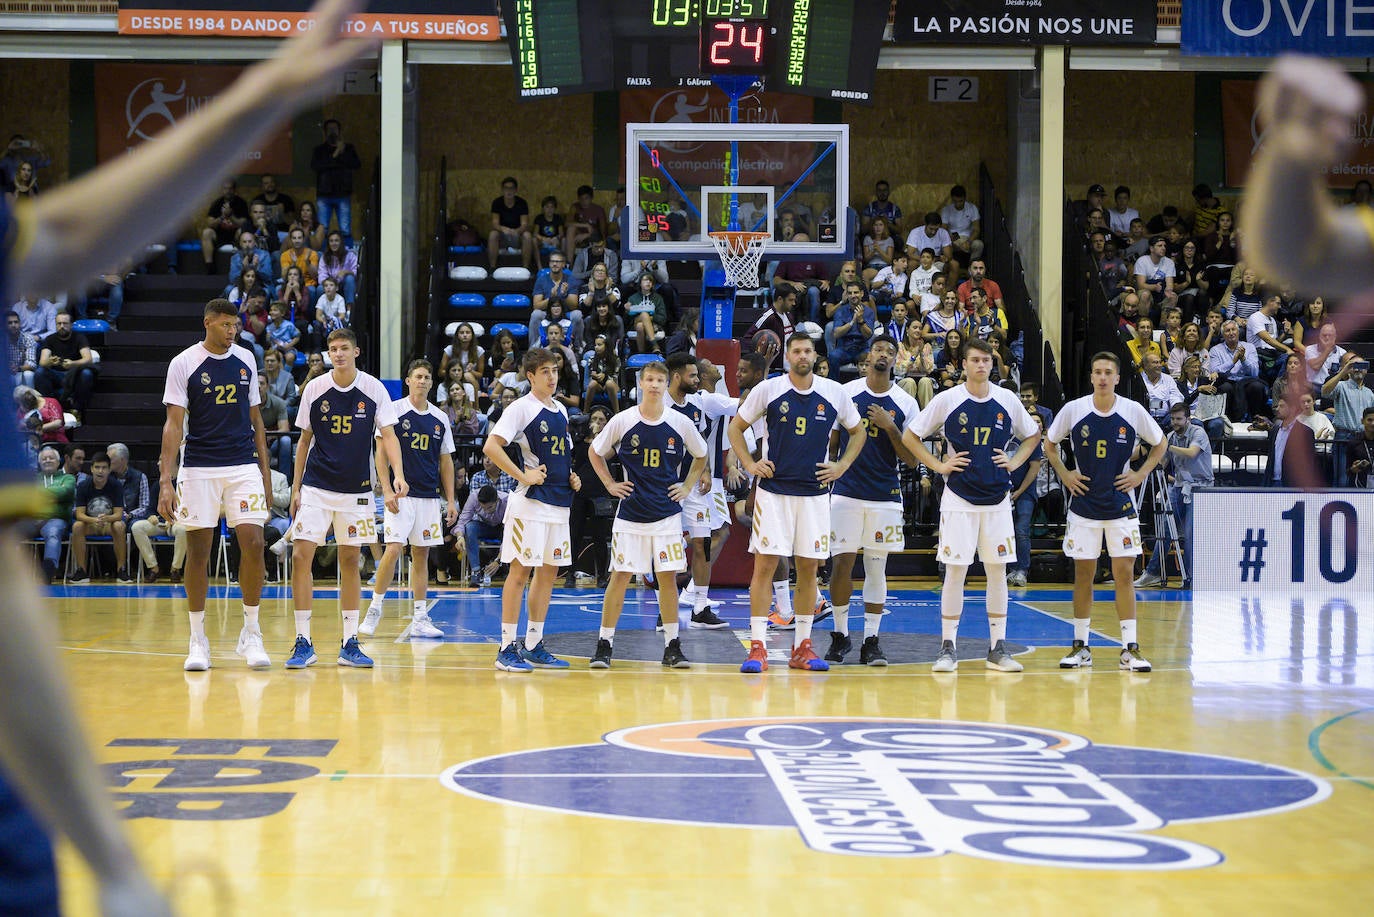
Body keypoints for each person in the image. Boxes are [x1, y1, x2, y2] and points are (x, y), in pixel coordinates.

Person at [727, 332, 865, 674]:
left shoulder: (834, 392)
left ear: (815, 356)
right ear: (788, 356)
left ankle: (803, 645)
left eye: (807, 351)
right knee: (764, 566)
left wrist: (842, 465)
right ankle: (757, 646)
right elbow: (736, 428)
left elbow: (858, 431)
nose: (802, 356)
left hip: (816, 496)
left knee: (809, 569)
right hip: (774, 494)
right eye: (796, 350)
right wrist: (748, 463)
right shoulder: (769, 389)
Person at [900, 338, 1040, 673]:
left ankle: (997, 648)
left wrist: (1014, 459)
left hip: (997, 499)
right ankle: (947, 647)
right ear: (963, 364)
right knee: (955, 571)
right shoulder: (948, 399)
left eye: (987, 360)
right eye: (975, 360)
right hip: (959, 498)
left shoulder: (1006, 398)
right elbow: (910, 436)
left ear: (993, 363)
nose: (981, 365)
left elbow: (1034, 435)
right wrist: (938, 466)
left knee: (997, 573)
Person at [158, 298, 273, 670]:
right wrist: (165, 479)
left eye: (235, 326)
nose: (232, 331)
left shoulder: (246, 359)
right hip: (199, 467)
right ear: (208, 322)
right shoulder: (184, 363)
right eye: (225, 325)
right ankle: (197, 640)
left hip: (242, 465)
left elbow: (257, 421)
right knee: (198, 550)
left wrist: (266, 474)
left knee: (254, 543)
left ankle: (251, 633)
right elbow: (174, 425)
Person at [287, 328, 406, 669]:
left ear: (356, 352)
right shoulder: (314, 388)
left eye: (343, 349)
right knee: (300, 556)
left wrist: (397, 474)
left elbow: (389, 436)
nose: (337, 354)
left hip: (356, 489)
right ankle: (302, 640)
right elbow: (303, 442)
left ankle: (350, 641)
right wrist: (296, 488)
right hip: (316, 486)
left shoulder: (373, 389)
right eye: (332, 349)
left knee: (351, 561)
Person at [1045, 352, 1165, 673]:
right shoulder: (1074, 409)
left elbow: (1160, 443)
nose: (1101, 377)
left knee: (1124, 575)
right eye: (1097, 371)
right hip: (1084, 505)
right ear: (1091, 377)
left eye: (1107, 372)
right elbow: (1049, 443)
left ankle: (1130, 649)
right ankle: (1081, 647)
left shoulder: (1132, 410)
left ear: (1116, 377)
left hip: (1120, 506)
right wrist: (1065, 473)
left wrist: (1140, 474)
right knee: (1084, 574)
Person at [587, 361, 709, 669]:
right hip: (630, 513)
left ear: (667, 384)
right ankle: (604, 644)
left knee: (666, 580)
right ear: (641, 384)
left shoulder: (679, 422)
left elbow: (702, 453)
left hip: (667, 515)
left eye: (659, 380)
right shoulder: (624, 419)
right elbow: (595, 451)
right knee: (620, 577)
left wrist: (687, 486)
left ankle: (672, 646)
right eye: (649, 379)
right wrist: (609, 483)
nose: (654, 385)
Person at [482, 349, 582, 672]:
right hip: (529, 503)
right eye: (545, 372)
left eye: (554, 371)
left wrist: (571, 475)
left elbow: (559, 454)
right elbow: (491, 446)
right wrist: (522, 474)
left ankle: (533, 643)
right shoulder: (521, 408)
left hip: (558, 502)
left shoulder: (562, 412)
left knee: (549, 572)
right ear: (530, 376)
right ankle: (505, 647)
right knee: (520, 571)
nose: (552, 377)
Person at [823, 335, 919, 665]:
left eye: (890, 352)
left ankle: (871, 641)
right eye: (879, 349)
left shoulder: (906, 403)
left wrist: (891, 428)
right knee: (841, 565)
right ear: (869, 356)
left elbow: (912, 460)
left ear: (896, 361)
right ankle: (839, 635)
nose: (884, 355)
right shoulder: (846, 393)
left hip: (885, 496)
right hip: (847, 492)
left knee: (876, 569)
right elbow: (832, 443)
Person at [360, 359, 456, 639]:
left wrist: (450, 500)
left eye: (427, 377)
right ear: (408, 380)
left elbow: (446, 461)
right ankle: (374, 610)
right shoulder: (394, 411)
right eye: (418, 376)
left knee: (421, 555)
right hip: (402, 495)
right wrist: (387, 489)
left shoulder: (439, 417)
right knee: (393, 549)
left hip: (428, 497)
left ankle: (420, 618)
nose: (423, 381)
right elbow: (381, 452)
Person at [665, 353, 735, 629]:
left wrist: (704, 470)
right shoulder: (659, 405)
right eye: (693, 376)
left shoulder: (697, 404)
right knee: (668, 548)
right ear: (677, 376)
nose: (698, 381)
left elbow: (700, 444)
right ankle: (665, 608)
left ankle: (700, 607)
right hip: (667, 486)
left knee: (703, 542)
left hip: (693, 486)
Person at [1136, 402, 1213, 587]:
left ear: (1188, 418)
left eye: (1179, 419)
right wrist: (1151, 452)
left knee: (1190, 533)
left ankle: (1191, 577)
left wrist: (1165, 446)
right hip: (1178, 485)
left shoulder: (1198, 433)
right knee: (1164, 530)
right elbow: (1162, 462)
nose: (1175, 422)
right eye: (1172, 419)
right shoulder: (1170, 436)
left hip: (1200, 488)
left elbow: (1192, 453)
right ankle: (1152, 572)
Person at [68, 453, 126, 584]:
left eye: (104, 468)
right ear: (92, 469)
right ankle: (81, 571)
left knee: (119, 525)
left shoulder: (116, 485)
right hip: (91, 524)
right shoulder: (83, 486)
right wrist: (94, 520)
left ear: (109, 469)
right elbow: (79, 514)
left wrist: (106, 518)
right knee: (77, 526)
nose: (100, 471)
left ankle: (121, 570)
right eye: (97, 467)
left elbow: (118, 514)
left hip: (108, 524)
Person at [310, 118, 362, 243]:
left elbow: (356, 165)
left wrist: (342, 152)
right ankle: (322, 257)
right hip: (324, 195)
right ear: (324, 132)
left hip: (343, 194)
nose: (332, 132)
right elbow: (316, 166)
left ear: (340, 131)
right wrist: (336, 153)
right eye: (329, 129)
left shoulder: (348, 148)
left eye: (335, 129)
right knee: (323, 229)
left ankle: (348, 257)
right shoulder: (319, 150)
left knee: (345, 229)